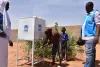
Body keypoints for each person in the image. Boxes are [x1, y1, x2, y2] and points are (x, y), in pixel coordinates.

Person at [79, 2, 100, 67]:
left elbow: (98, 24)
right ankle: (91, 65)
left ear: (91, 7)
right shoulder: (87, 15)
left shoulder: (95, 13)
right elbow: (84, 26)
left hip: (90, 37)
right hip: (86, 37)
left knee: (89, 53)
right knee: (91, 53)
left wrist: (97, 36)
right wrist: (81, 35)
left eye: (87, 8)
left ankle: (87, 66)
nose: (86, 9)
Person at [0, 0, 13, 67]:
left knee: (4, 58)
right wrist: (6, 37)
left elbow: (8, 29)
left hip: (4, 42)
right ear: (3, 5)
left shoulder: (5, 15)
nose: (8, 7)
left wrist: (9, 40)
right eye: (7, 5)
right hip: (1, 40)